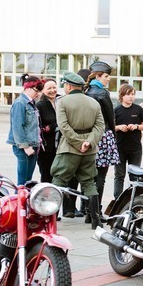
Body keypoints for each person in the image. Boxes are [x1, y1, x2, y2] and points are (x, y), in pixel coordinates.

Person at [51, 71, 105, 229]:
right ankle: (96, 220)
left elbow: (63, 126)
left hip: (69, 148)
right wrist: (88, 142)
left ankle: (51, 219)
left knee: (58, 181)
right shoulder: (93, 102)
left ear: (68, 86)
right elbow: (100, 126)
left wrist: (77, 142)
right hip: (89, 150)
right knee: (89, 182)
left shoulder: (62, 102)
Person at [84, 61, 117, 216]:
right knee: (101, 178)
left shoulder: (87, 92)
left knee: (90, 177)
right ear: (97, 76)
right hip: (104, 137)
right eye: (106, 76)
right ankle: (95, 212)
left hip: (89, 137)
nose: (108, 79)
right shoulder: (103, 93)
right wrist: (114, 138)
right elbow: (111, 119)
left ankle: (88, 211)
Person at [113, 84, 143, 198]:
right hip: (120, 148)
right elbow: (110, 127)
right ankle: (117, 200)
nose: (131, 97)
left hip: (135, 148)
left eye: (133, 94)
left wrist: (137, 126)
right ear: (122, 96)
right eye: (128, 94)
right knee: (119, 175)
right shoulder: (116, 110)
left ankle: (133, 199)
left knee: (134, 175)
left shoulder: (138, 109)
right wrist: (119, 127)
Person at [7, 73, 43, 186]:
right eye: (36, 90)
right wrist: (25, 146)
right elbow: (17, 127)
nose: (38, 94)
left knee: (28, 181)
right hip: (23, 147)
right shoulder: (20, 103)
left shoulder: (31, 103)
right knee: (22, 181)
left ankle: (25, 202)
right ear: (27, 88)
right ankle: (19, 202)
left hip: (33, 144)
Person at [36, 78, 59, 184]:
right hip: (46, 148)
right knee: (46, 176)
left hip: (60, 146)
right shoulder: (40, 105)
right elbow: (39, 126)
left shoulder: (61, 101)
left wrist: (53, 126)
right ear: (43, 90)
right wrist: (52, 127)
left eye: (54, 87)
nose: (52, 90)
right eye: (49, 88)